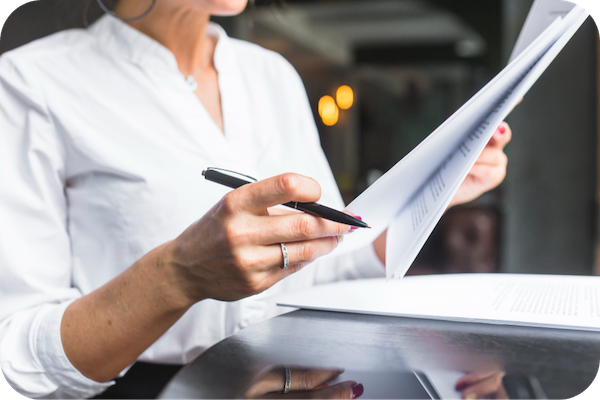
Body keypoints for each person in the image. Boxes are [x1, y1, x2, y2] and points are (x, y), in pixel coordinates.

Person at [0, 0, 512, 398]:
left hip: (299, 379)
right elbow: (17, 363)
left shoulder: (271, 75)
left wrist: (430, 194)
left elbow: (323, 265)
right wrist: (178, 275)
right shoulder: (31, 84)